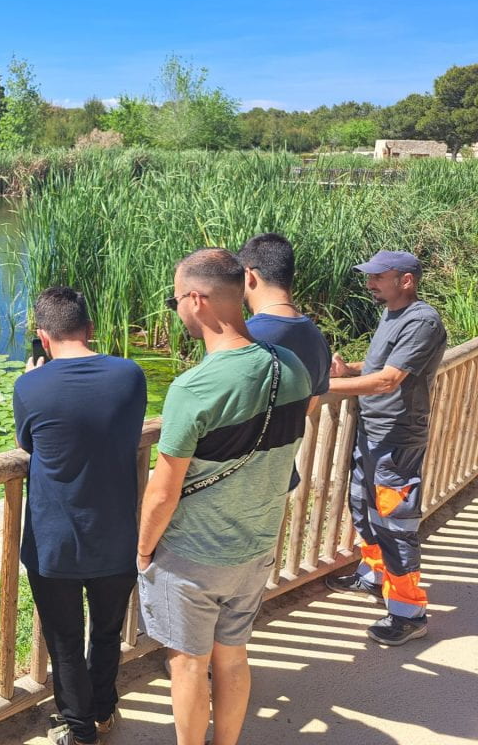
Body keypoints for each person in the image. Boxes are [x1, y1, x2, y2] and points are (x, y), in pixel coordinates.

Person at [138, 249, 311, 745]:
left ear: (197, 299)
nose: (177, 310)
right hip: (255, 546)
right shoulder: (290, 366)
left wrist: (145, 549)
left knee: (187, 664)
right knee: (232, 656)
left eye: (175, 301)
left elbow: (163, 491)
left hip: (192, 555)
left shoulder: (195, 388)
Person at [13, 286, 147, 745]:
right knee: (107, 633)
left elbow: (27, 446)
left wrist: (36, 377)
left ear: (41, 338)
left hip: (54, 544)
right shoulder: (130, 375)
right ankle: (104, 713)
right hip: (116, 537)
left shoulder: (30, 386)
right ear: (90, 329)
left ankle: (79, 729)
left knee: (64, 639)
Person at [326, 250, 446, 645]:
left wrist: (319, 388)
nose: (370, 282)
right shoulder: (391, 314)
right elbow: (378, 367)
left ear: (406, 280)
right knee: (363, 507)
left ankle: (409, 613)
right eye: (370, 275)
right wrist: (349, 371)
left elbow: (389, 381)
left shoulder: (422, 321)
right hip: (372, 430)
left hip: (397, 438)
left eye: (379, 276)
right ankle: (373, 574)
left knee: (395, 524)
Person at [238, 232, 331, 414]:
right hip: (291, 442)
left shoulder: (241, 338)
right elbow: (308, 410)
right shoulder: (317, 339)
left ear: (248, 275)